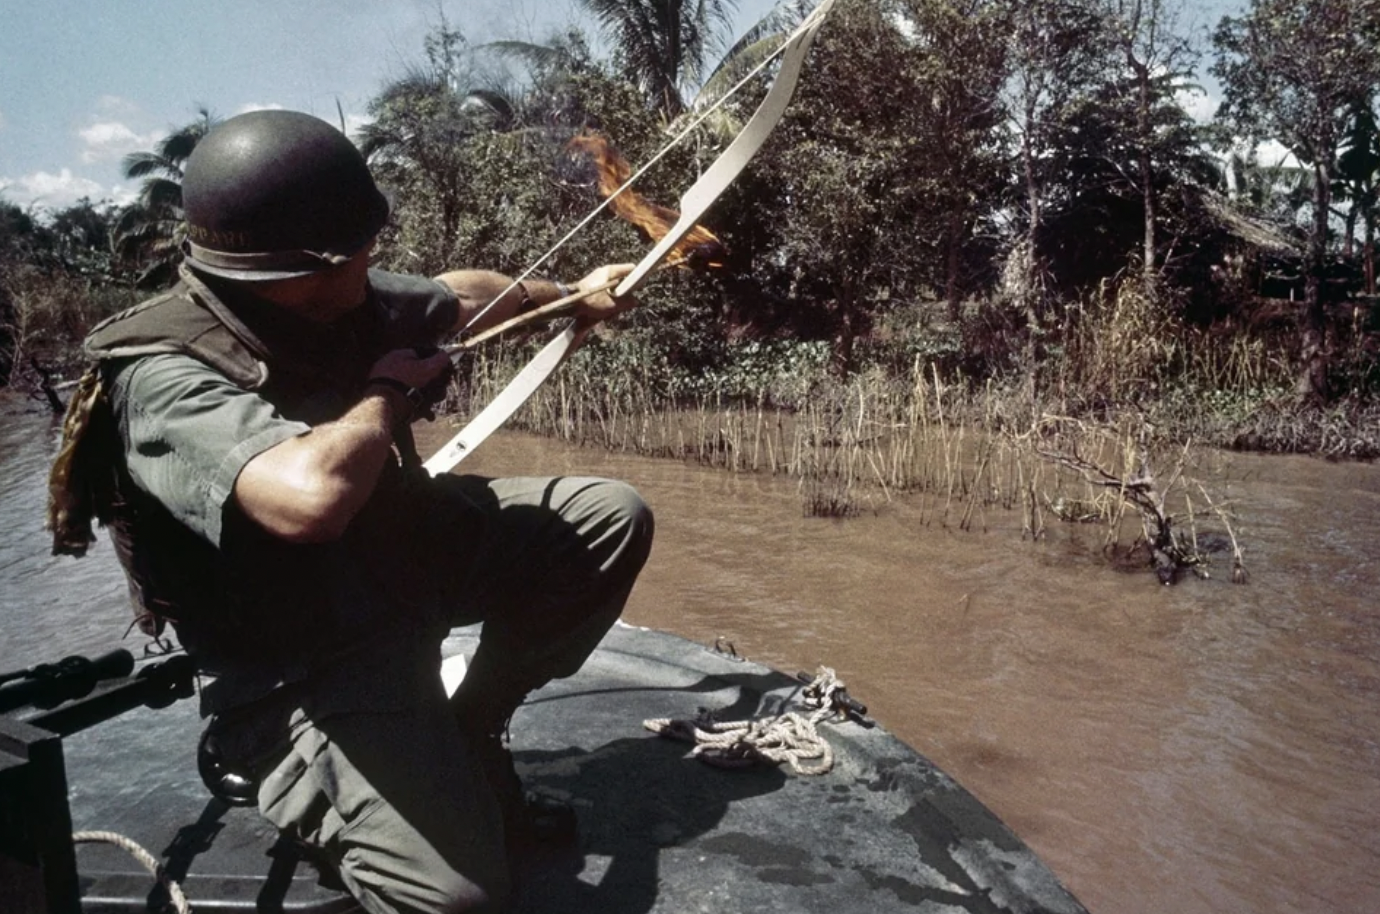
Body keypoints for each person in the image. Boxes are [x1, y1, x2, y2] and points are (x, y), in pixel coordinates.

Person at [48, 109, 654, 913]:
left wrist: (571, 295)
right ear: (278, 270)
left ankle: (472, 729)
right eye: (353, 259)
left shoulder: (338, 293)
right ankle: (293, 767)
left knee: (605, 516)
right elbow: (311, 502)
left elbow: (459, 300)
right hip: (295, 659)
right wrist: (386, 393)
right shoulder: (163, 373)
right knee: (456, 897)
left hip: (399, 567)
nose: (370, 270)